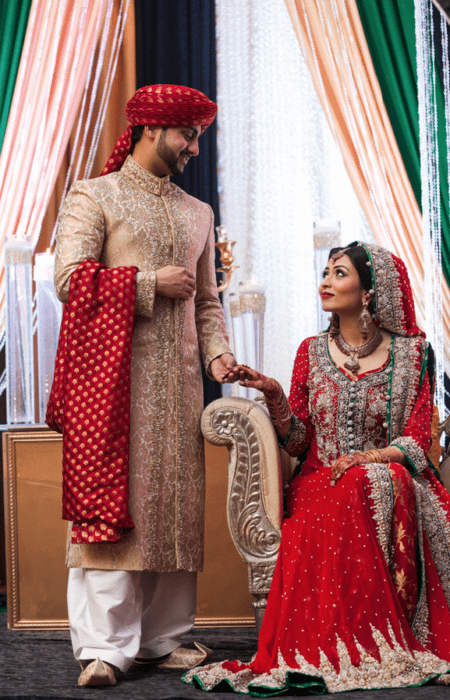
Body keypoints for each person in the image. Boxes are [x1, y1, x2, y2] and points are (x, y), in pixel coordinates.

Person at [183, 242, 450, 695]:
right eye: (325, 272)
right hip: (320, 482)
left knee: (372, 479)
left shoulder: (413, 354)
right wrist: (273, 395)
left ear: (369, 291)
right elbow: (299, 441)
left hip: (389, 478)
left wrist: (367, 460)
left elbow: (417, 437)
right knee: (349, 486)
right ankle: (349, 645)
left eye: (339, 273)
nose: (325, 281)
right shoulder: (310, 352)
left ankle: (378, 637)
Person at [52, 84, 236, 687]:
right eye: (187, 134)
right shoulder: (94, 195)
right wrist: (147, 283)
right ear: (150, 130)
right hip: (112, 389)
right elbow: (70, 279)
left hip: (181, 389)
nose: (194, 147)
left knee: (173, 513)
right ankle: (103, 647)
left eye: (199, 136)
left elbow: (208, 303)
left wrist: (219, 360)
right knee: (118, 511)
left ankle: (161, 639)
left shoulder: (196, 212)